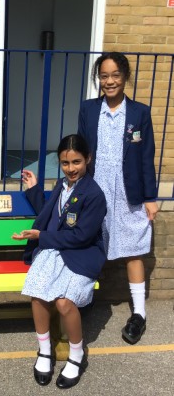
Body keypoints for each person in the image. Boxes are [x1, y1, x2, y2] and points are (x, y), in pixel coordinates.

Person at [12, 134, 106, 389]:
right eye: (65, 163)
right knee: (39, 293)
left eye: (76, 162)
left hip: (81, 253)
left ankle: (76, 355)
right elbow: (52, 215)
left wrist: (41, 236)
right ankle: (45, 350)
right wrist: (33, 189)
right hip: (56, 250)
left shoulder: (94, 194)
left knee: (64, 303)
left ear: (88, 159)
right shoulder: (62, 186)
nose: (71, 168)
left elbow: (82, 236)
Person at [78, 51, 158, 345]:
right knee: (89, 244)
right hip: (97, 189)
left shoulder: (139, 113)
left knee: (133, 251)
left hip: (129, 193)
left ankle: (139, 314)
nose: (109, 81)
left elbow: (146, 157)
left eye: (115, 75)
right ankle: (81, 299)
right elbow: (81, 152)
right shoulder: (88, 110)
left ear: (125, 77)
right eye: (103, 75)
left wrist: (150, 196)